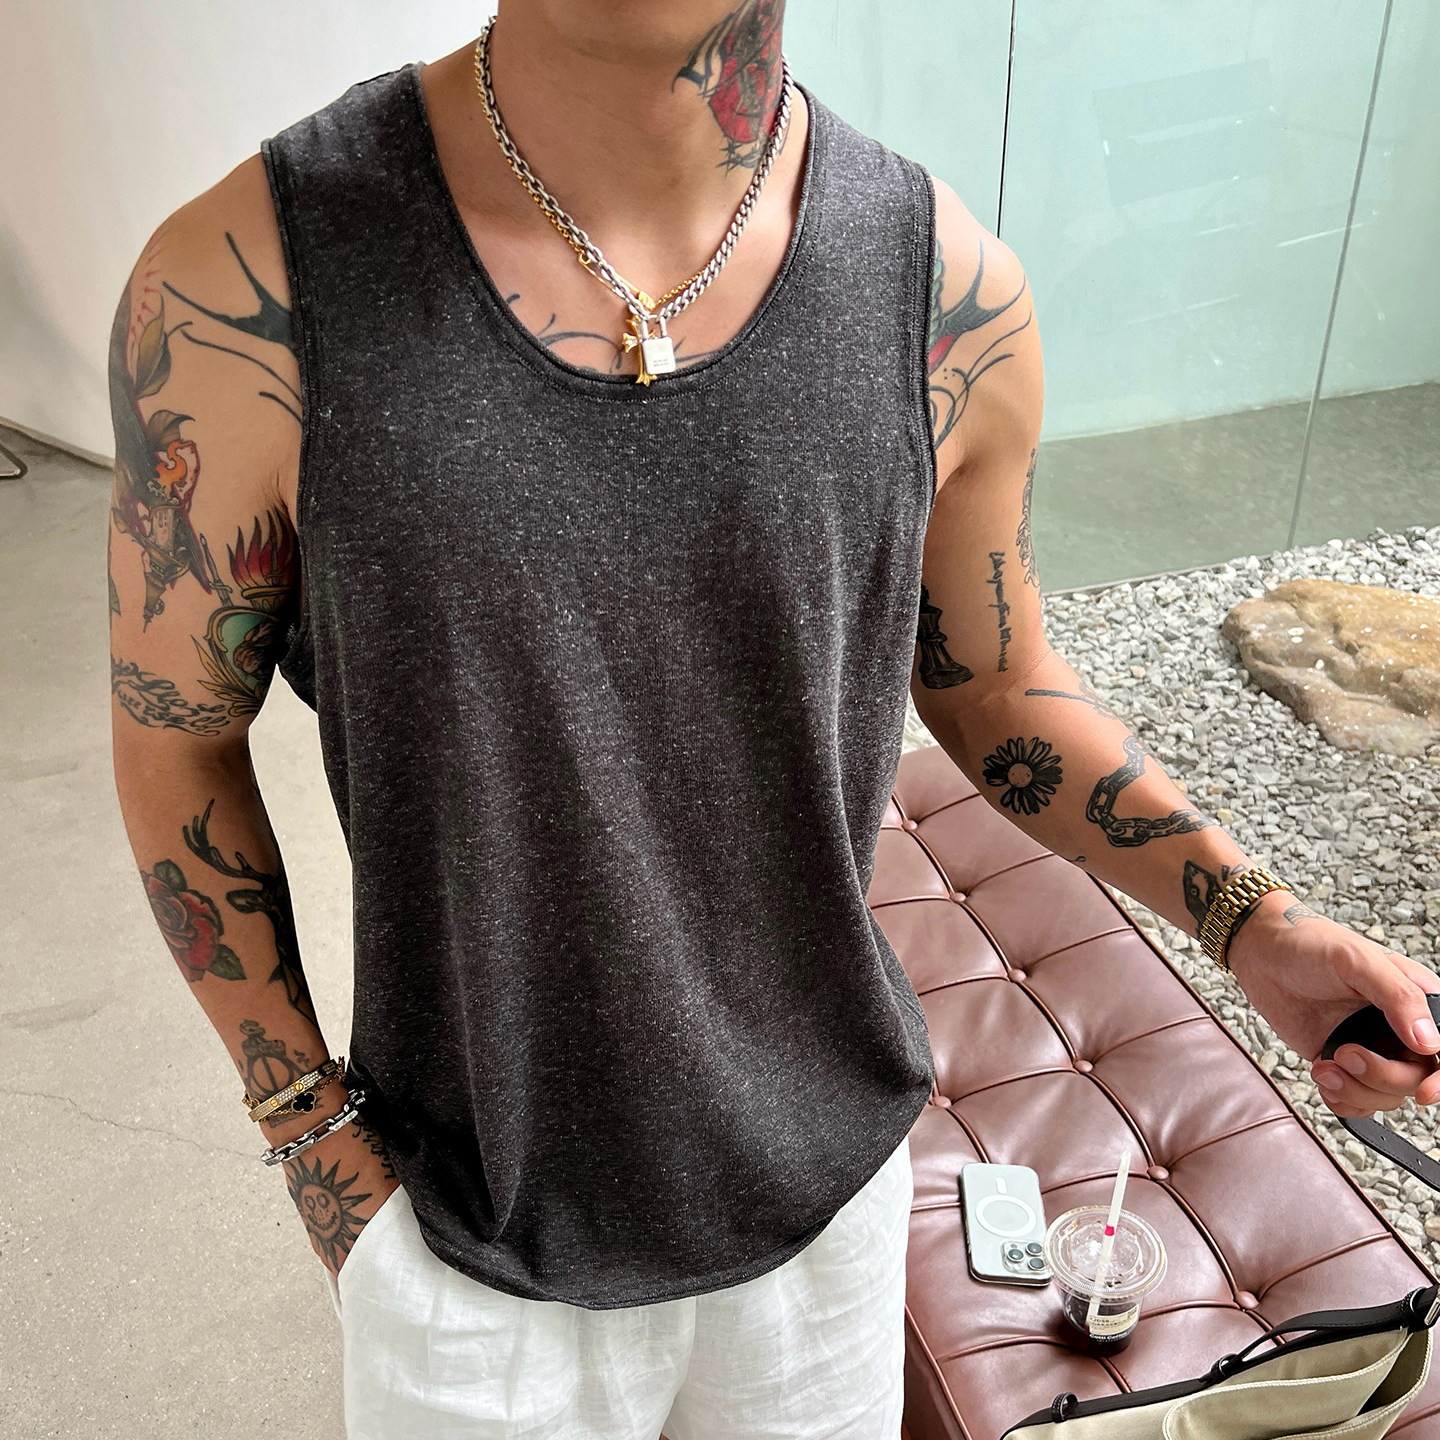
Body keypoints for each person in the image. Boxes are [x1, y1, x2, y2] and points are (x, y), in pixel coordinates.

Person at [107, 2, 1440, 1436]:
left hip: (827, 1218)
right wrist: (308, 1132)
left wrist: (1254, 921)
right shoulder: (248, 287)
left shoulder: (947, 295)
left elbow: (997, 687)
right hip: (463, 1241)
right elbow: (175, 734)